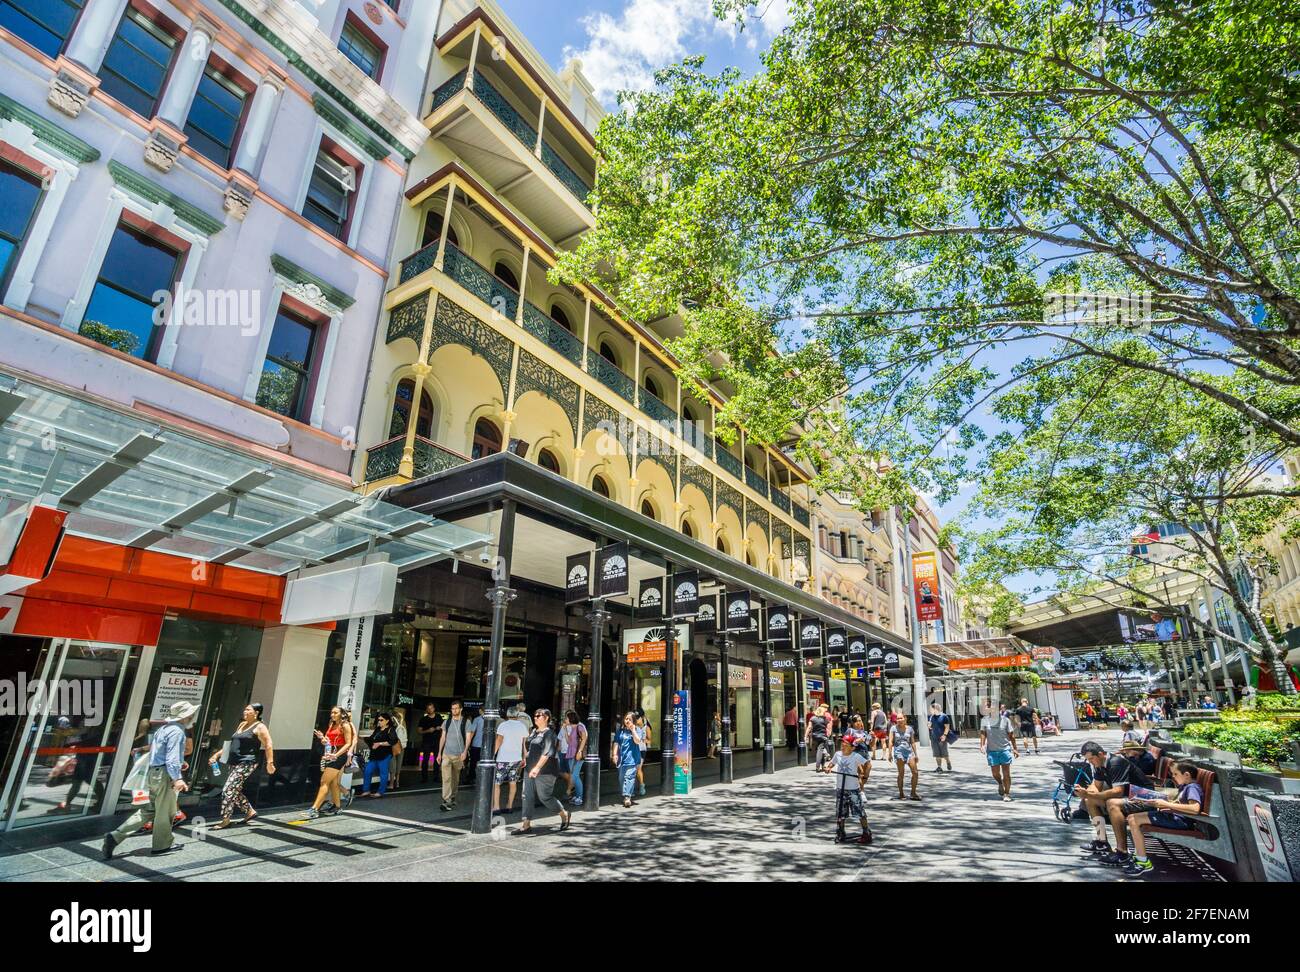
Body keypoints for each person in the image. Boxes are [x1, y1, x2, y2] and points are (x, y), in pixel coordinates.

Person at [104, 701, 197, 859]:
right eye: (191, 713)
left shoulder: (163, 729)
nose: (193, 716)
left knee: (149, 810)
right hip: (165, 775)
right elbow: (172, 758)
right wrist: (177, 778)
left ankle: (115, 836)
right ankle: (161, 845)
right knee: (165, 812)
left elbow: (157, 752)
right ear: (186, 716)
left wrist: (178, 763)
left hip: (155, 773)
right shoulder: (177, 731)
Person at [1075, 740, 1154, 863]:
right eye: (1088, 760)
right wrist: (1086, 793)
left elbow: (1118, 791)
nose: (1090, 762)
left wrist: (1090, 794)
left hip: (1145, 797)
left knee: (1112, 803)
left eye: (1091, 759)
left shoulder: (1116, 762)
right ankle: (1102, 842)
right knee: (1089, 800)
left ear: (1101, 754)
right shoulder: (1099, 765)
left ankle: (1122, 852)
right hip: (1129, 797)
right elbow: (1096, 786)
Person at [1121, 762, 1204, 876]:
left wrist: (1167, 804)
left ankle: (1143, 862)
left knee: (1134, 820)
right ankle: (1139, 854)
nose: (1173, 777)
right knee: (1131, 818)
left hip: (1179, 821)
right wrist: (1146, 800)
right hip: (1174, 816)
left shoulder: (1192, 788)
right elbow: (1177, 803)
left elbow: (1195, 808)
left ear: (1186, 775)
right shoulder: (1185, 787)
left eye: (1175, 774)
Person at [210, 703, 275, 828]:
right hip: (234, 762)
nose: (245, 711)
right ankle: (250, 811)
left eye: (248, 709)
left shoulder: (260, 727)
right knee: (235, 789)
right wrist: (216, 755)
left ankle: (225, 819)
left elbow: (268, 744)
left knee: (228, 789)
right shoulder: (242, 724)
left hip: (247, 762)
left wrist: (270, 762)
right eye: (245, 709)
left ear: (256, 713)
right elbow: (232, 744)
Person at [517, 708, 572, 834]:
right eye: (535, 715)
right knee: (526, 795)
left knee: (545, 797)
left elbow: (547, 752)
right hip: (529, 769)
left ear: (546, 718)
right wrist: (525, 758)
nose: (535, 717)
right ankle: (526, 824)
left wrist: (537, 768)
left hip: (546, 771)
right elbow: (528, 747)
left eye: (539, 715)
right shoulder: (534, 732)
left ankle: (564, 814)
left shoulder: (549, 734)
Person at [821, 732, 873, 845]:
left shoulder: (855, 756)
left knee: (859, 812)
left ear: (852, 746)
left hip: (853, 789)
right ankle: (840, 832)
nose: (843, 745)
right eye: (842, 743)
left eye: (846, 743)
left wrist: (865, 776)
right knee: (840, 812)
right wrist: (828, 768)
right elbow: (832, 764)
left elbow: (868, 764)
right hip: (841, 788)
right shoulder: (838, 754)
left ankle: (866, 833)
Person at [307, 706, 356, 819]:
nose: (332, 714)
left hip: (338, 756)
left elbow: (348, 743)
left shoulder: (346, 725)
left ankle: (314, 809)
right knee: (333, 783)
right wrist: (322, 738)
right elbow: (328, 742)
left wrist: (336, 755)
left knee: (324, 781)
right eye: (331, 712)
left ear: (341, 714)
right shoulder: (331, 724)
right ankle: (337, 807)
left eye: (335, 713)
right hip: (330, 754)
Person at [437, 700, 473, 811]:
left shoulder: (466, 722)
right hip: (446, 754)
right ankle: (446, 800)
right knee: (446, 778)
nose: (454, 710)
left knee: (455, 779)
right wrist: (439, 753)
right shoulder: (446, 722)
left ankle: (452, 797)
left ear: (461, 709)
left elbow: (468, 738)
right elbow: (443, 737)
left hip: (459, 755)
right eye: (452, 709)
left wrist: (465, 751)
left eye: (456, 708)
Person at [492, 703, 528, 814]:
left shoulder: (503, 725)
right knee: (513, 782)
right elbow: (523, 743)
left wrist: (492, 754)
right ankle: (509, 806)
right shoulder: (522, 726)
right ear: (517, 714)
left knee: (497, 783)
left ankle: (496, 807)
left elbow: (499, 740)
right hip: (516, 758)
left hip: (503, 758)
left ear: (507, 714)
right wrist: (524, 757)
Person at [979, 702, 1018, 802]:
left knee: (1006, 774)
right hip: (992, 751)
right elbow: (983, 733)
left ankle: (1007, 794)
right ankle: (1000, 783)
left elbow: (1011, 735)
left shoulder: (1005, 720)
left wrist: (1015, 748)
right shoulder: (985, 720)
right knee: (995, 773)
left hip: (1005, 750)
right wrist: (982, 745)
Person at [363, 713, 398, 798]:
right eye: (378, 720)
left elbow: (393, 741)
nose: (379, 721)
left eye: (381, 720)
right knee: (367, 771)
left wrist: (380, 744)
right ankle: (366, 790)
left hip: (385, 755)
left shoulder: (390, 729)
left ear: (387, 721)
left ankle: (380, 792)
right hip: (374, 755)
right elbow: (371, 738)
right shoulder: (378, 729)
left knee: (383, 773)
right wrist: (362, 738)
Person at [612, 712, 643, 808]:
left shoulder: (637, 729)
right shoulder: (620, 731)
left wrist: (633, 730)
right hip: (622, 759)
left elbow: (637, 741)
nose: (627, 721)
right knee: (621, 778)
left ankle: (627, 797)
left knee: (629, 777)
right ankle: (627, 793)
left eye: (629, 719)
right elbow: (616, 743)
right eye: (626, 719)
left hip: (632, 758)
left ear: (633, 720)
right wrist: (614, 754)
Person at [558, 709, 587, 806]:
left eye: (566, 718)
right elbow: (568, 741)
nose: (565, 719)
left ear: (571, 718)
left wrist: (579, 751)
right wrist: (565, 729)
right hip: (571, 754)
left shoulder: (580, 726)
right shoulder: (573, 728)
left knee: (575, 776)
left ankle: (580, 797)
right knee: (574, 776)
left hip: (577, 755)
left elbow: (584, 737)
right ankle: (578, 795)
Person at [889, 712, 921, 801]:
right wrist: (889, 753)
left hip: (909, 752)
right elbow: (891, 741)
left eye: (901, 718)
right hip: (898, 752)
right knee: (901, 773)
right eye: (897, 719)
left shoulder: (910, 729)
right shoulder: (893, 728)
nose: (899, 720)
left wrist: (916, 754)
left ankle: (913, 792)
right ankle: (901, 793)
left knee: (915, 772)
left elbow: (913, 742)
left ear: (905, 718)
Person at [417, 703, 442, 784]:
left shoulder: (438, 717)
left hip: (437, 741)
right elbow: (419, 731)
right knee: (425, 760)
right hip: (427, 742)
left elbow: (444, 728)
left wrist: (440, 728)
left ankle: (436, 777)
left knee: (437, 760)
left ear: (434, 709)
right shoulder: (423, 719)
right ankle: (424, 778)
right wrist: (428, 730)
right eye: (428, 708)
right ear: (426, 710)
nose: (430, 710)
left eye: (431, 708)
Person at [928, 701, 953, 772]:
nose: (930, 711)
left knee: (944, 753)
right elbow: (930, 727)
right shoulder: (931, 717)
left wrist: (944, 735)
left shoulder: (944, 716)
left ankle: (948, 761)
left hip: (942, 737)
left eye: (931, 709)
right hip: (934, 737)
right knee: (936, 753)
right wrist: (929, 726)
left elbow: (947, 727)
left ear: (935, 709)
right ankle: (939, 767)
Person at [807, 703, 833, 770]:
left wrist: (806, 735)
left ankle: (821, 765)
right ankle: (822, 765)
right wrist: (828, 733)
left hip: (817, 735)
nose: (826, 709)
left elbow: (811, 725)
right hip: (823, 735)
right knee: (821, 749)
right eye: (826, 708)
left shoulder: (818, 716)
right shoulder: (826, 715)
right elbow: (829, 725)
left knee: (820, 749)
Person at [633, 711, 650, 797]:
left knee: (638, 768)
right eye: (635, 718)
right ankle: (631, 788)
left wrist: (644, 740)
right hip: (633, 749)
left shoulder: (646, 728)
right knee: (633, 768)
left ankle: (641, 785)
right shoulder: (632, 727)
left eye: (638, 718)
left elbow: (650, 740)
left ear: (642, 718)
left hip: (641, 750)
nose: (636, 720)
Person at [390, 708, 407, 791]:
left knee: (393, 764)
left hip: (394, 745)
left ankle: (391, 783)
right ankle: (397, 782)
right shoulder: (403, 722)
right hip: (402, 745)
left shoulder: (392, 721)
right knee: (399, 764)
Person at [467, 706, 484, 778]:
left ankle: (471, 776)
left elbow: (472, 732)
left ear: (480, 710)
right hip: (486, 746)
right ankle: (482, 776)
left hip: (476, 744)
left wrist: (467, 743)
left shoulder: (477, 719)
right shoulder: (492, 719)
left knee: (473, 762)